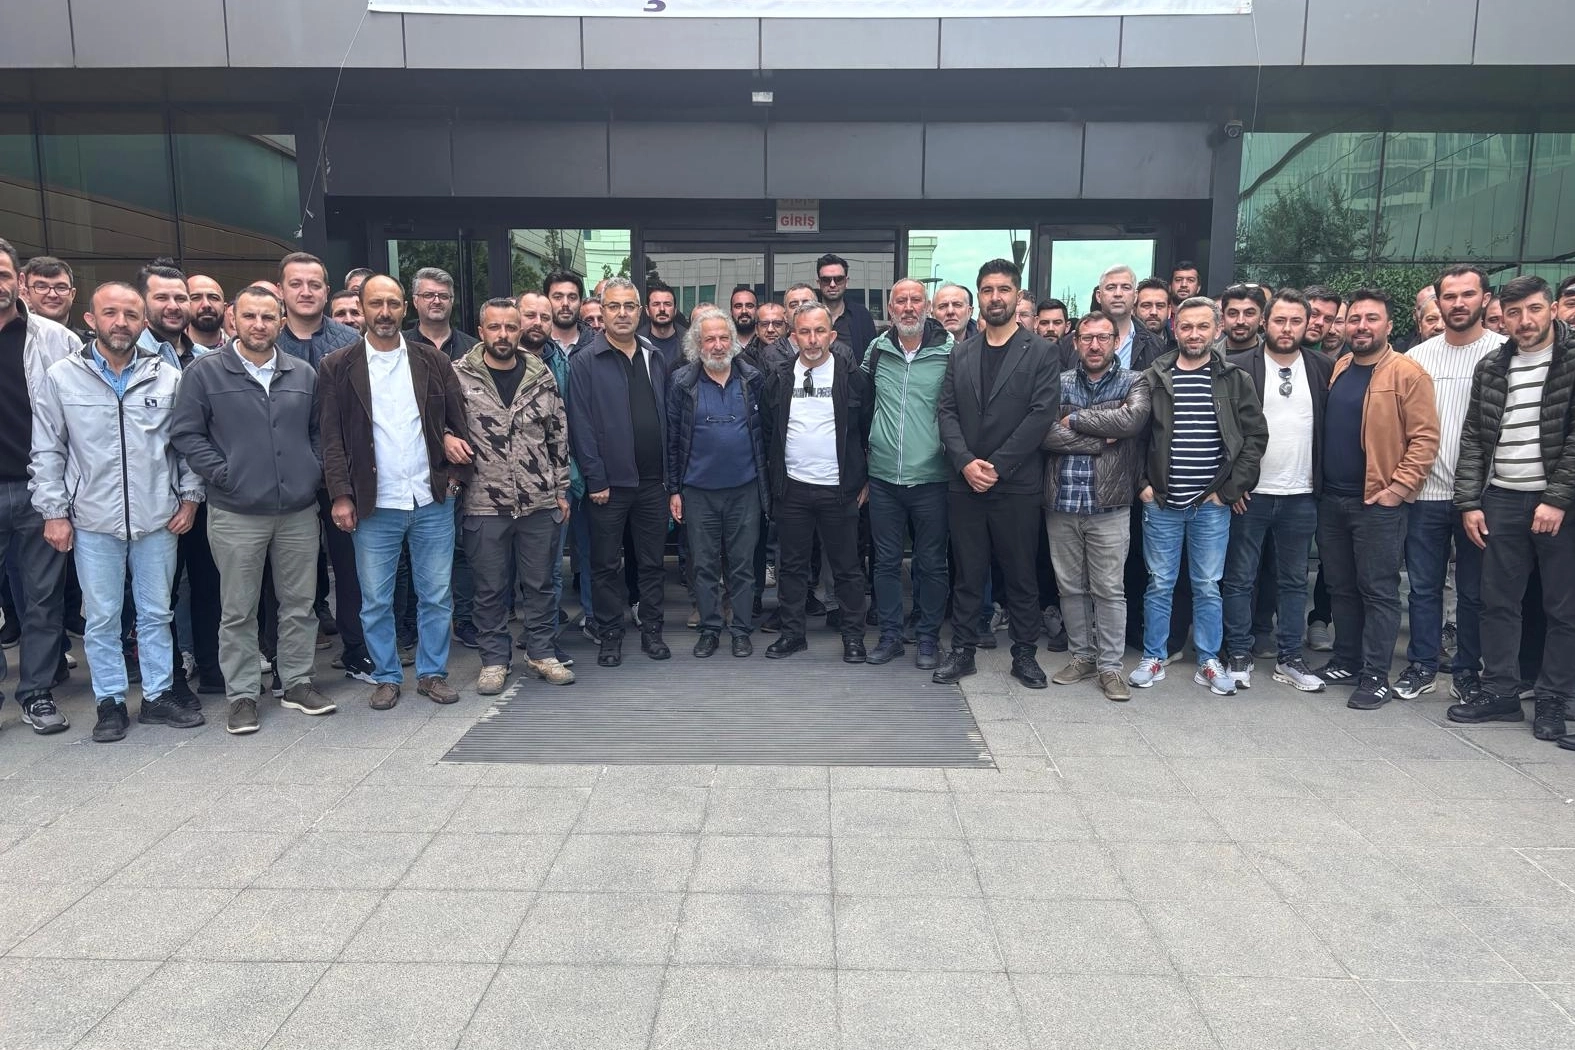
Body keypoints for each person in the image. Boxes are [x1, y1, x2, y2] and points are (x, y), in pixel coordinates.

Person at [31, 281, 206, 742]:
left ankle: (157, 695)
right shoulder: (62, 377)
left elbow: (185, 445)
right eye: (110, 313)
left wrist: (190, 498)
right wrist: (53, 511)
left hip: (157, 517)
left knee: (157, 613)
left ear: (142, 322)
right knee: (103, 617)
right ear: (91, 320)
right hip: (92, 520)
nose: (121, 322)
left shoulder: (167, 376)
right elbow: (47, 448)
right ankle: (109, 701)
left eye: (130, 314)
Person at [170, 285, 336, 735]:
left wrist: (311, 470)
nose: (259, 325)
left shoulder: (302, 373)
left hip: (297, 510)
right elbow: (186, 434)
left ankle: (297, 682)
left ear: (280, 322)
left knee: (299, 604)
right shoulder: (205, 373)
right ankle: (242, 694)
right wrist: (224, 474)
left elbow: (319, 431)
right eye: (249, 316)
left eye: (267, 317)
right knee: (238, 609)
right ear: (233, 318)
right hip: (236, 512)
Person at [319, 274, 469, 710]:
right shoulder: (337, 365)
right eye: (376, 304)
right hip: (374, 503)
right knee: (376, 600)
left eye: (392, 303)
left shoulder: (431, 361)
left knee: (436, 595)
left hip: (430, 497)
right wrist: (340, 495)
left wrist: (454, 476)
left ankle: (432, 673)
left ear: (405, 307)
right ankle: (385, 676)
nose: (384, 313)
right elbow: (331, 439)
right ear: (362, 308)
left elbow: (458, 421)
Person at [1451, 276, 1575, 745]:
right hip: (1501, 497)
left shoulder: (1570, 360)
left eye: (1535, 309)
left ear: (1552, 309)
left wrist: (1556, 498)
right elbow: (1474, 438)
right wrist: (1469, 502)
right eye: (1515, 312)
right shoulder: (1492, 366)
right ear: (1501, 317)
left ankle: (1553, 699)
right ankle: (1501, 692)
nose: (1525, 321)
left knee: (1562, 607)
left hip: (1558, 503)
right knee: (1497, 602)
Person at [1128, 296, 1267, 696]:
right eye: (1186, 326)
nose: (1193, 334)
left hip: (1210, 504)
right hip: (1162, 502)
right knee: (1160, 583)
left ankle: (1208, 658)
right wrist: (1142, 485)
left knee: (1207, 584)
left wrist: (1229, 491)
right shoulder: (1153, 377)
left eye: (1202, 326)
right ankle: (1153, 656)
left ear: (1216, 330)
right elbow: (1135, 437)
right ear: (1175, 328)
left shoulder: (1234, 379)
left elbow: (1255, 437)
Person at [933, 259, 1060, 688]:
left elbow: (1041, 415)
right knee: (967, 574)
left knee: (1021, 575)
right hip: (965, 482)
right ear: (980, 297)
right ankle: (963, 652)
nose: (995, 297)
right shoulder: (962, 352)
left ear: (1017, 295)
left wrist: (998, 466)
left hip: (1016, 484)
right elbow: (946, 412)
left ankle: (1024, 656)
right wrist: (965, 462)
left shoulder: (1041, 351)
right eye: (987, 290)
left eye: (1003, 289)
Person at [1314, 289, 1440, 710]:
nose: (1361, 326)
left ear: (1389, 325)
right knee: (1341, 587)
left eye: (1371, 319)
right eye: (1354, 319)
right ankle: (1346, 660)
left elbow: (1425, 439)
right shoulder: (1342, 366)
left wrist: (1398, 489)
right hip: (1333, 500)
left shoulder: (1407, 373)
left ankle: (1375, 675)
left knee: (1379, 591)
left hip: (1376, 504)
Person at [452, 297, 574, 693]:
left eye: (510, 327)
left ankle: (542, 651)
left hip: (539, 500)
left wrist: (560, 489)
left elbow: (558, 435)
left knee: (540, 585)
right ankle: (493, 660)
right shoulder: (459, 376)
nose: (503, 335)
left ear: (519, 330)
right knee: (489, 588)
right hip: (484, 503)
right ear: (481, 330)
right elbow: (441, 426)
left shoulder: (540, 375)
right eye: (494, 327)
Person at [1394, 265, 1501, 703]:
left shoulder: (1503, 352)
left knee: (1474, 592)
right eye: (1449, 296)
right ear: (1437, 302)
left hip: (1483, 496)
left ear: (1485, 299)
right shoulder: (1417, 357)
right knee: (1423, 588)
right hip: (1426, 493)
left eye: (1467, 294)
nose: (1458, 304)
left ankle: (1467, 670)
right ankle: (1422, 665)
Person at [1220, 290, 1332, 693]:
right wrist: (1233, 484)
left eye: (1296, 321)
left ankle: (1290, 657)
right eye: (1280, 320)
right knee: (1239, 579)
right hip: (1250, 494)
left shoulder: (1323, 368)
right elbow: (1222, 432)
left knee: (1294, 581)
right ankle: (1238, 652)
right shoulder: (1236, 367)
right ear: (1265, 323)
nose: (1287, 329)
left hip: (1301, 494)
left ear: (1307, 325)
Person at [1042, 310, 1151, 701]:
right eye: (1087, 338)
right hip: (1062, 502)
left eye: (1103, 337)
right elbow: (1044, 433)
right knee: (1070, 587)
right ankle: (1082, 657)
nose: (1094, 345)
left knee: (1108, 590)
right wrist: (1098, 437)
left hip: (1109, 505)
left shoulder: (1134, 381)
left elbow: (1131, 422)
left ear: (1115, 342)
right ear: (1075, 343)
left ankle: (1110, 667)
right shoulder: (1058, 382)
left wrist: (1073, 419)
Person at [567, 277, 672, 667]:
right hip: (608, 487)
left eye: (629, 306)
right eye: (614, 306)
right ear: (601, 311)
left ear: (640, 311)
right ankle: (610, 635)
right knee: (605, 565)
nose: (622, 313)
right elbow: (580, 424)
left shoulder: (653, 356)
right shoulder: (585, 361)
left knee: (652, 563)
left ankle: (653, 632)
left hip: (653, 483)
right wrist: (595, 479)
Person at [760, 302, 869, 662]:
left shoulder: (852, 378)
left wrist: (864, 478)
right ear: (794, 336)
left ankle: (853, 637)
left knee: (847, 568)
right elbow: (768, 432)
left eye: (819, 331)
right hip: (792, 487)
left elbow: (866, 430)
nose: (812, 339)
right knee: (792, 566)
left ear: (832, 335)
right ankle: (793, 635)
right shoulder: (779, 377)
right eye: (804, 331)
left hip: (839, 489)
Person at [0, 239, 78, 734]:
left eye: (3, 273)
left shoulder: (55, 339)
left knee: (42, 598)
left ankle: (36, 693)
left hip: (38, 490)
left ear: (18, 280)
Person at [862, 279, 953, 670]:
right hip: (883, 477)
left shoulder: (950, 351)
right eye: (901, 301)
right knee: (884, 562)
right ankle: (890, 636)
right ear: (890, 307)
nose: (909, 307)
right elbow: (861, 401)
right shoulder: (877, 350)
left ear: (927, 306)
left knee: (931, 563)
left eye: (916, 300)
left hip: (932, 477)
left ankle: (929, 637)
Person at [667, 307, 768, 658]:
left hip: (745, 489)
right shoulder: (681, 383)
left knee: (742, 565)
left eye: (724, 337)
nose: (718, 345)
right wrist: (674, 489)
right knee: (703, 565)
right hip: (698, 492)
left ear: (733, 342)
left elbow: (766, 434)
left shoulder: (753, 379)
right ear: (697, 344)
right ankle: (710, 629)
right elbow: (672, 440)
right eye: (709, 338)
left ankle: (740, 630)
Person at [409, 267, 479, 361]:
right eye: (428, 295)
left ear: (452, 301)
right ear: (415, 301)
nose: (437, 301)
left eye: (443, 296)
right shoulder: (400, 345)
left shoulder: (473, 349)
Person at [817, 253, 877, 356]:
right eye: (826, 280)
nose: (832, 284)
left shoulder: (861, 315)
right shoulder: (809, 315)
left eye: (838, 279)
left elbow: (871, 357)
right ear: (819, 283)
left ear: (846, 281)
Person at [20, 256, 77, 329]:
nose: (52, 295)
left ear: (72, 294)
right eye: (42, 287)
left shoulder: (89, 336)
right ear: (27, 293)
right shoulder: (11, 336)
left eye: (61, 288)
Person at [639, 279, 686, 367]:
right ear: (647, 310)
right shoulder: (637, 343)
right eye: (656, 304)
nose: (662, 309)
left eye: (667, 304)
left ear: (675, 310)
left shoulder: (689, 343)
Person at [1219, 283, 1267, 354]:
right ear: (1222, 319)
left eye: (1249, 313)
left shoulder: (1274, 357)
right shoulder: (1207, 356)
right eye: (1233, 313)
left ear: (1261, 318)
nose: (1240, 321)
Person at [1134, 279, 1174, 350]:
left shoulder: (1179, 345)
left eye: (1160, 306)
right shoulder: (1125, 344)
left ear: (1169, 310)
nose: (1153, 312)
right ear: (1134, 310)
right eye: (1146, 305)